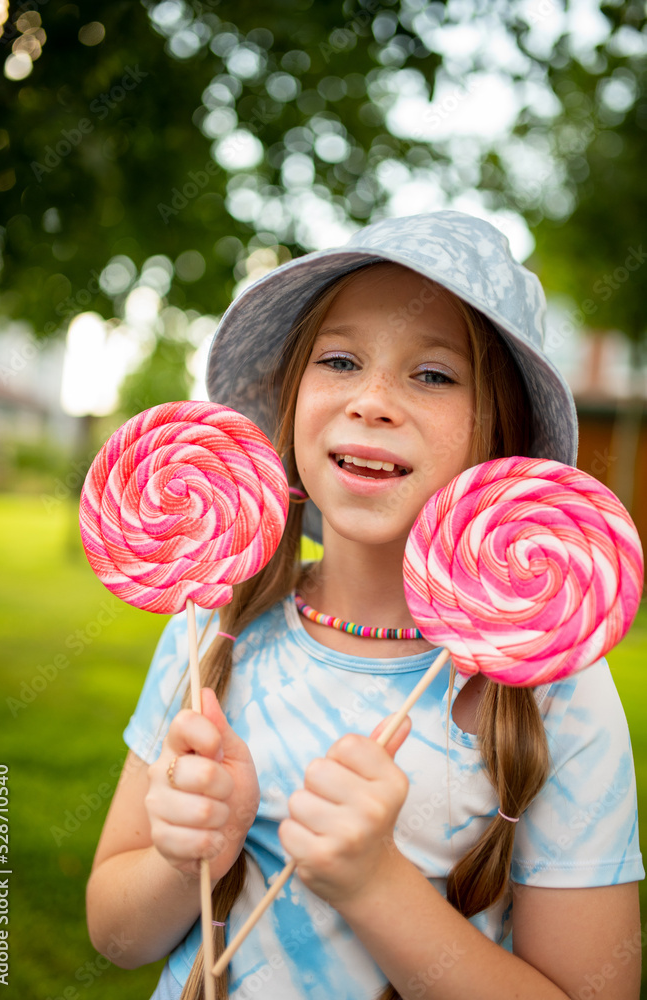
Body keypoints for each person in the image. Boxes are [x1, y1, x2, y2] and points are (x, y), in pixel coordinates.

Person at [86, 211, 644, 1000]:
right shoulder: (212, 626)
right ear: (291, 399)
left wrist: (374, 885)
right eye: (340, 360)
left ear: (501, 435)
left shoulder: (554, 687)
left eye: (434, 375)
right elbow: (115, 937)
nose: (373, 401)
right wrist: (185, 859)